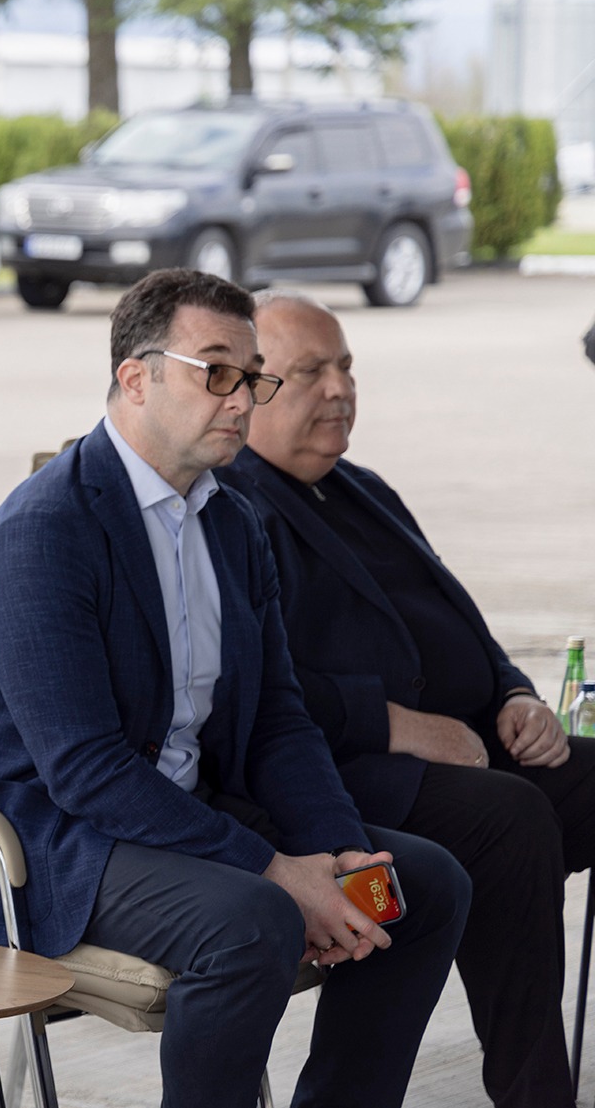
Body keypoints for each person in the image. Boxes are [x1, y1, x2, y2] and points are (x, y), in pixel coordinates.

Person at [0, 269, 469, 1108]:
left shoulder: (232, 521)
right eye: (217, 371)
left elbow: (276, 717)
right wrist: (277, 869)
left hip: (175, 810)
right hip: (36, 836)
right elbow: (86, 770)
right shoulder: (45, 532)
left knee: (418, 887)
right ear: (137, 377)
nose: (241, 399)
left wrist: (339, 848)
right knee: (253, 920)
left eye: (252, 377)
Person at [221, 289, 595, 1108]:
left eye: (346, 367)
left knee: (579, 777)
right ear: (254, 388)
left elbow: (461, 619)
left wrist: (515, 690)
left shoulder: (362, 486)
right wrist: (394, 724)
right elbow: (249, 688)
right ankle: (536, 1092)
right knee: (511, 820)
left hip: (474, 741)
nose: (339, 389)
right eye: (311, 372)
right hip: (345, 770)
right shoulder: (232, 506)